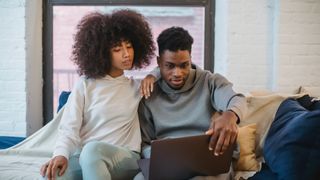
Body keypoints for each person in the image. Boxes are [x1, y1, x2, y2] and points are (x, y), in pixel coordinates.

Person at [40, 9, 157, 180]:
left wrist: (153, 75)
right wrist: (61, 154)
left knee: (92, 151)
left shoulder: (137, 87)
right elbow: (69, 127)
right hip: (87, 158)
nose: (126, 54)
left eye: (129, 46)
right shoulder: (85, 84)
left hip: (126, 159)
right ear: (102, 52)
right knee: (51, 175)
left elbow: (170, 67)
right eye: (118, 49)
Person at [135, 27, 247, 180]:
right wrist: (161, 158)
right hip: (168, 164)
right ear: (159, 62)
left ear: (190, 59)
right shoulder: (149, 93)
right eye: (170, 66)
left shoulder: (209, 81)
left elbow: (237, 100)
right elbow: (146, 144)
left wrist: (230, 115)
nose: (177, 73)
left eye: (184, 65)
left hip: (208, 162)